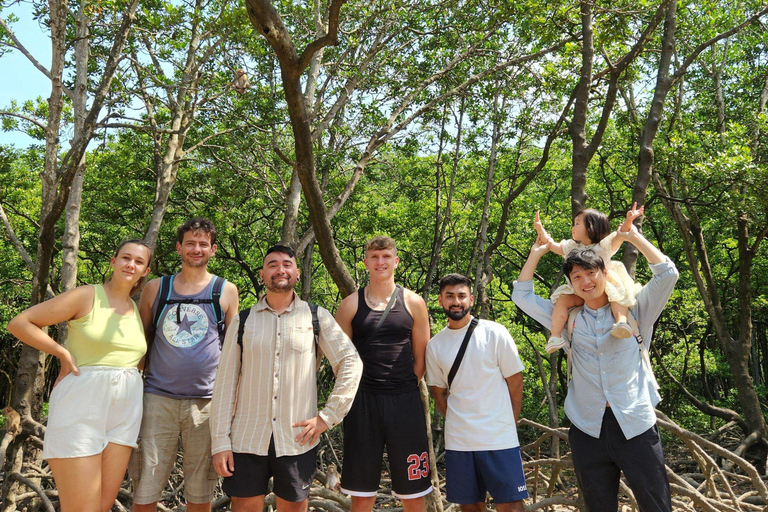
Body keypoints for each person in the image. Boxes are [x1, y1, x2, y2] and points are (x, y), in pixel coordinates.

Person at [512, 223, 679, 512]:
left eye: (592, 273)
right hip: (588, 428)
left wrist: (634, 237)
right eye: (577, 276)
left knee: (656, 505)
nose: (586, 281)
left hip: (635, 423)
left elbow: (667, 274)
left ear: (606, 274)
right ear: (570, 283)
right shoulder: (567, 318)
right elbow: (522, 297)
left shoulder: (636, 310)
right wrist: (536, 254)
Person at [210, 244, 362, 512]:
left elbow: (350, 361)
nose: (280, 269)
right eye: (272, 265)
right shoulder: (243, 321)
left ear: (296, 273)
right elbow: (224, 385)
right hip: (246, 437)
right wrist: (220, 442)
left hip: (296, 439)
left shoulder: (316, 317)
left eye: (286, 264)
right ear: (262, 274)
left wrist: (327, 417)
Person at [7, 239, 152, 512]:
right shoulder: (88, 295)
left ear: (145, 271)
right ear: (113, 261)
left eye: (139, 262)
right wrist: (61, 352)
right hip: (82, 406)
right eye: (125, 258)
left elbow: (137, 361)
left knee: (102, 505)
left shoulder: (136, 310)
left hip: (125, 412)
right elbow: (20, 323)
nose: (131, 264)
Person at [130, 218, 239, 512]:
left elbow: (234, 351)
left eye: (204, 244)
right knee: (145, 488)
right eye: (190, 243)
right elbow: (139, 343)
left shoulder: (226, 290)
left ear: (213, 250)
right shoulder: (156, 289)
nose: (197, 248)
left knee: (200, 492)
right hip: (157, 398)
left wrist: (233, 400)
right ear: (179, 247)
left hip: (207, 403)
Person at [334, 236, 433, 512]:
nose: (380, 262)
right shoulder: (350, 305)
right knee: (361, 493)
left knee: (414, 492)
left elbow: (421, 357)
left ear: (396, 261)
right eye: (375, 257)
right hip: (362, 403)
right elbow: (341, 360)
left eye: (386, 257)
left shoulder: (414, 302)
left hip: (405, 402)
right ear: (365, 262)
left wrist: (401, 387)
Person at [426, 274, 528, 512]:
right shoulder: (435, 345)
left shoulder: (495, 333)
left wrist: (508, 423)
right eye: (449, 296)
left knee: (511, 505)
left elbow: (515, 381)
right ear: (440, 300)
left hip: (499, 438)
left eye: (461, 296)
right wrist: (458, 420)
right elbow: (438, 393)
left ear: (471, 299)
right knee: (469, 506)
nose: (456, 301)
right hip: (459, 441)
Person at [533, 204, 644, 353]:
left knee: (616, 293)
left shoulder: (603, 246)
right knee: (562, 300)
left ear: (591, 227)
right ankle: (555, 336)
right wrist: (540, 230)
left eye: (577, 223)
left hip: (602, 290)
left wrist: (629, 220)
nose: (573, 227)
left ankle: (621, 322)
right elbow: (551, 245)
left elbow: (621, 234)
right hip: (579, 291)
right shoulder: (571, 248)